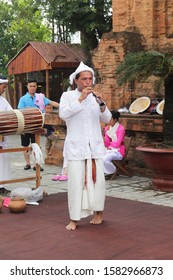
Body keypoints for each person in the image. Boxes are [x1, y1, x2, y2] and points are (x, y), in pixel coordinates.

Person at [59, 61, 112, 230]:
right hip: (76, 148)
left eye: (90, 79)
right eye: (84, 79)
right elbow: (63, 114)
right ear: (76, 80)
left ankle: (99, 213)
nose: (88, 82)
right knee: (76, 183)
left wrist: (102, 105)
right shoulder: (67, 96)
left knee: (98, 183)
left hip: (94, 148)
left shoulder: (95, 98)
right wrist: (80, 99)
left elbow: (107, 119)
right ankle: (74, 219)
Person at [17, 79, 59, 170]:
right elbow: (20, 111)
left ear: (36, 87)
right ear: (27, 87)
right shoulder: (23, 99)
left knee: (36, 144)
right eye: (30, 86)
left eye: (34, 86)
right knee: (25, 145)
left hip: (37, 125)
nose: (32, 88)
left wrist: (62, 106)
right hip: (25, 125)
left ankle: (37, 164)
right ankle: (27, 163)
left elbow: (51, 102)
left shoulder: (40, 97)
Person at [103, 110, 126, 178]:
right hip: (110, 149)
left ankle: (112, 171)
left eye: (110, 118)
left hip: (119, 151)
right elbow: (106, 143)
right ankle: (105, 171)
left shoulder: (121, 129)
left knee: (105, 159)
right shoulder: (107, 128)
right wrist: (103, 136)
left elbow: (117, 144)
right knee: (98, 156)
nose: (108, 120)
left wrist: (110, 144)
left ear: (115, 119)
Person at [0, 75, 13, 195]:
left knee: (3, 162)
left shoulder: (3, 100)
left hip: (3, 137)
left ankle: (2, 186)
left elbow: (11, 114)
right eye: (3, 87)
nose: (4, 89)